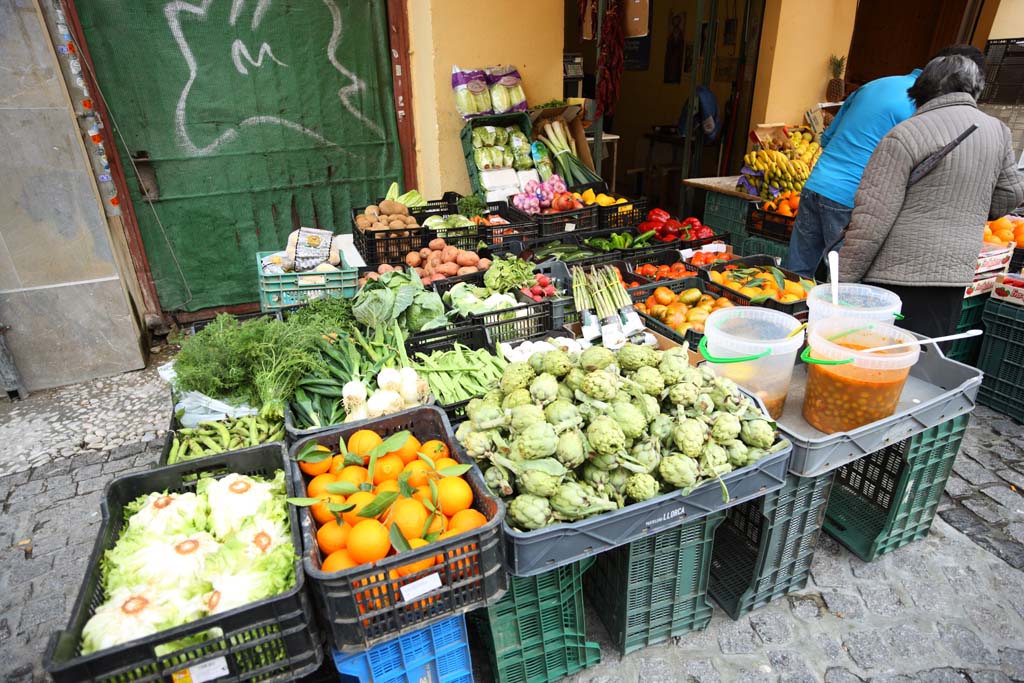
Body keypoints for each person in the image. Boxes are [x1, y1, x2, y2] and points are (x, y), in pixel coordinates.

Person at [838, 54, 1024, 338]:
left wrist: (842, 282)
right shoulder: (997, 131)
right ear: (975, 90)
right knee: (929, 367)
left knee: (882, 362)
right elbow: (1008, 196)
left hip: (894, 280)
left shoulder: (905, 135)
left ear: (920, 91)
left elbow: (871, 219)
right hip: (953, 277)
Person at [782, 45, 986, 278]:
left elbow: (827, 138)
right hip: (852, 197)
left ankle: (785, 312)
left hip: (817, 183)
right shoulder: (925, 104)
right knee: (839, 282)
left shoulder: (875, 84)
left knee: (795, 273)